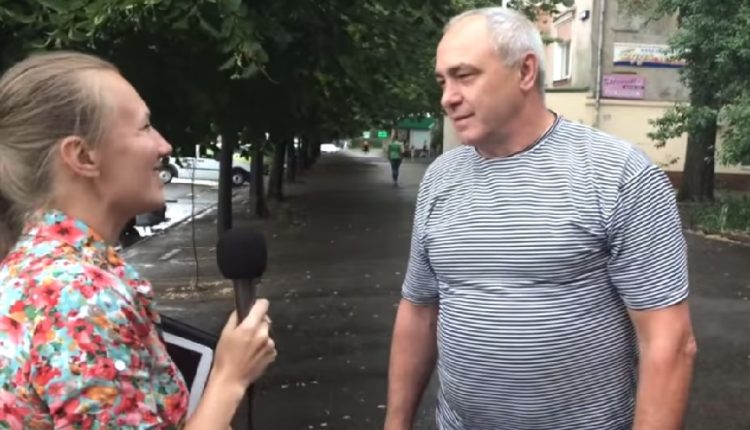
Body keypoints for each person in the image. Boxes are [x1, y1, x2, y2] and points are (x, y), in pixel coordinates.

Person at [384, 7, 696, 430]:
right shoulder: (441, 178)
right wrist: (396, 423)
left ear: (525, 71)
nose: (447, 97)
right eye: (443, 81)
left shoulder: (617, 175)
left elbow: (669, 341)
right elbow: (419, 312)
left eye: (464, 76)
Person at [0, 51, 276, 429]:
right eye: (145, 127)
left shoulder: (32, 270)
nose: (164, 145)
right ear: (83, 156)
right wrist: (229, 377)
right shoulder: (80, 298)